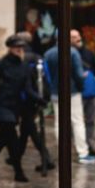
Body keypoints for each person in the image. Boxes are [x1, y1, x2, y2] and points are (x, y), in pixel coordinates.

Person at [0, 35, 41, 182]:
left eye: (21, 47)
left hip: (15, 107)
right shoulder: (1, 64)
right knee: (12, 139)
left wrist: (39, 99)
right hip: (1, 106)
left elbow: (28, 88)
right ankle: (18, 171)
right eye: (16, 47)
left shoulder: (24, 67)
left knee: (3, 137)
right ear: (10, 48)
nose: (19, 50)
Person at [44, 38, 95, 164]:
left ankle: (63, 152)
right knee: (77, 121)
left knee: (59, 122)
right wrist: (81, 86)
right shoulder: (72, 52)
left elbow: (46, 74)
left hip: (56, 92)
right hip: (72, 91)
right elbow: (78, 74)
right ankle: (82, 153)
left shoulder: (48, 53)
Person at [15, 31, 55, 172]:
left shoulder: (22, 58)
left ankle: (46, 157)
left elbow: (20, 81)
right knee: (26, 129)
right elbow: (47, 78)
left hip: (26, 99)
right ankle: (17, 156)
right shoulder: (38, 57)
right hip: (36, 97)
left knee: (29, 128)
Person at [71, 28, 95, 157]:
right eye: (74, 37)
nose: (78, 38)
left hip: (91, 91)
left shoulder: (88, 53)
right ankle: (78, 145)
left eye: (78, 36)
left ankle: (88, 144)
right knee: (77, 121)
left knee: (90, 120)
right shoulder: (68, 54)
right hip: (76, 93)